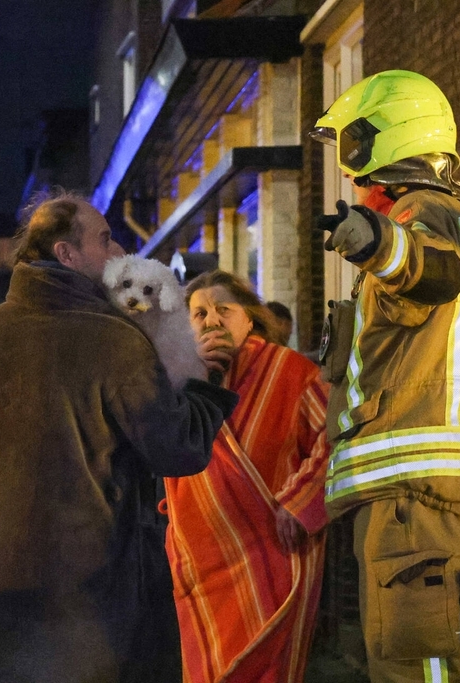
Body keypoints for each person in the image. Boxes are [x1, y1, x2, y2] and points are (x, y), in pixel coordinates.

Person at [0, 191, 238, 683]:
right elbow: (179, 448)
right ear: (66, 254)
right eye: (104, 239)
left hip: (18, 595)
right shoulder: (112, 339)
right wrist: (206, 385)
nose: (117, 252)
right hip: (99, 597)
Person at [309, 70, 460, 682]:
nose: (347, 165)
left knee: (419, 669)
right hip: (424, 497)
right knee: (434, 659)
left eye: (353, 142)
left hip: (413, 500)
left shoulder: (425, 213)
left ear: (385, 138)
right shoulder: (453, 218)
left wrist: (374, 242)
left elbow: (427, 273)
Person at [160, 271, 330, 683]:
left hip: (273, 550)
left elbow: (335, 442)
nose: (212, 320)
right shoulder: (175, 382)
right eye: (199, 313)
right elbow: (161, 451)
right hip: (200, 564)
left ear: (249, 319)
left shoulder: (293, 372)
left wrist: (302, 502)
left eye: (224, 309)